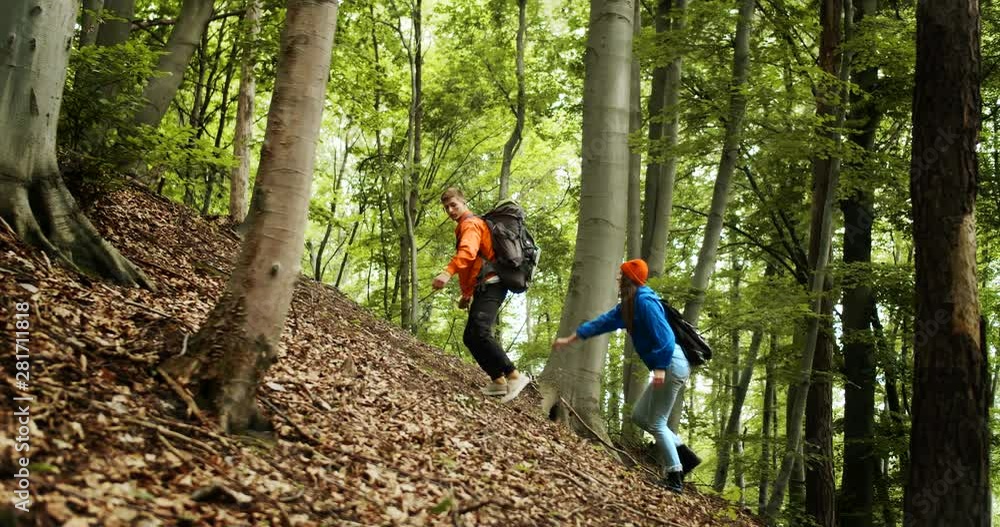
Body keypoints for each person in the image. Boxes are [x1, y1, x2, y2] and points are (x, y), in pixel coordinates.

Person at [551, 259, 700, 493]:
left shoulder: (645, 302)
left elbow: (666, 339)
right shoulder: (628, 306)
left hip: (671, 363)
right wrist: (572, 338)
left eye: (621, 276)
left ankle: (675, 476)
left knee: (657, 422)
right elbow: (603, 323)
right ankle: (685, 456)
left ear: (629, 280)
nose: (618, 279)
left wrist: (660, 369)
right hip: (668, 364)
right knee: (641, 417)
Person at [432, 187, 531, 403]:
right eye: (446, 207)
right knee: (470, 336)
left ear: (463, 202)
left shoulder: (470, 224)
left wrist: (447, 272)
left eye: (453, 205)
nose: (450, 210)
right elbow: (474, 264)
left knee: (481, 331)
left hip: (492, 283)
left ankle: (514, 376)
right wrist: (466, 294)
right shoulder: (465, 226)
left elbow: (467, 253)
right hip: (483, 284)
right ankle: (498, 382)